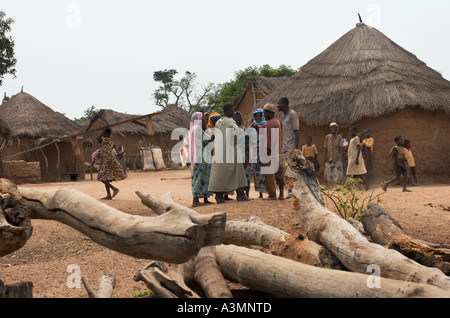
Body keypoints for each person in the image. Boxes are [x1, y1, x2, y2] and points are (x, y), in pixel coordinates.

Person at [207, 104, 249, 203]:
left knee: (220, 173)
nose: (234, 112)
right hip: (231, 150)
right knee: (237, 171)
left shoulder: (219, 122)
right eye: (233, 110)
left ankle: (219, 196)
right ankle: (240, 195)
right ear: (228, 111)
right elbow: (238, 131)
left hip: (219, 151)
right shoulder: (230, 121)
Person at [259, 103, 284, 200]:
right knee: (279, 174)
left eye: (265, 112)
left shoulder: (271, 124)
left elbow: (269, 140)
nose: (263, 115)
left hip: (269, 152)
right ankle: (281, 194)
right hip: (277, 152)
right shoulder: (276, 122)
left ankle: (272, 195)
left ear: (270, 113)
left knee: (269, 175)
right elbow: (264, 127)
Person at [277, 97, 300, 198]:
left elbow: (297, 131)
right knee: (287, 171)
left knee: (291, 171)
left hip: (291, 147)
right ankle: (291, 191)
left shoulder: (292, 114)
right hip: (285, 147)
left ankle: (293, 191)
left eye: (279, 104)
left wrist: (295, 148)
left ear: (285, 104)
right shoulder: (284, 116)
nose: (278, 105)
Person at [188, 112, 213, 207]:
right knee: (199, 177)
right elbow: (207, 139)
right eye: (203, 119)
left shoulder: (194, 129)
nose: (205, 120)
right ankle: (195, 200)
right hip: (200, 158)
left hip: (201, 157)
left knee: (203, 176)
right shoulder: (197, 130)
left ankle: (204, 198)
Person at [96, 128, 126, 200]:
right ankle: (108, 195)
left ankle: (114, 189)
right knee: (106, 178)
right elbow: (119, 154)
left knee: (101, 177)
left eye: (103, 133)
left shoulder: (105, 140)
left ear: (105, 134)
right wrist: (122, 152)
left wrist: (103, 130)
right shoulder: (112, 142)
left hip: (107, 160)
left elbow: (97, 138)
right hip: (108, 160)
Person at [249, 108, 267, 198]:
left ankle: (266, 191)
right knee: (257, 172)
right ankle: (260, 192)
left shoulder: (265, 125)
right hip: (255, 152)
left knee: (265, 171)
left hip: (264, 151)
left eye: (259, 115)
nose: (258, 117)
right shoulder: (251, 126)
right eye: (256, 116)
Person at [324, 122, 344, 188]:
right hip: (329, 156)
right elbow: (325, 147)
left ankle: (337, 185)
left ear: (337, 128)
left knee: (337, 170)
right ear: (330, 128)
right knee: (328, 170)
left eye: (334, 127)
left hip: (337, 156)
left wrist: (341, 155)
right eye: (332, 127)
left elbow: (341, 147)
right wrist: (325, 155)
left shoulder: (339, 137)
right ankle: (328, 185)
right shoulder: (327, 137)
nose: (333, 129)